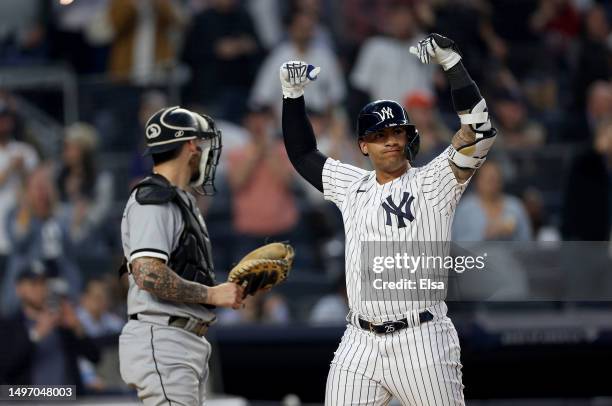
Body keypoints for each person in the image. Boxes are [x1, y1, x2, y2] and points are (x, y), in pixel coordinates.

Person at [280, 32, 498, 404]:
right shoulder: (351, 184)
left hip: (422, 340)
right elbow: (302, 154)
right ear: (363, 146)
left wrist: (452, 64)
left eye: (398, 132)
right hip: (359, 341)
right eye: (380, 135)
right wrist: (291, 96)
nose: (392, 140)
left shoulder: (435, 180)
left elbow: (479, 131)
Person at [118, 106, 244, 405]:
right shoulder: (154, 201)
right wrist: (212, 295)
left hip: (180, 340)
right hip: (163, 338)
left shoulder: (179, 199)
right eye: (199, 144)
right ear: (189, 146)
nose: (202, 151)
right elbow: (148, 273)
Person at [0, 261, 99, 394]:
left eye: (43, 283)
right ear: (19, 289)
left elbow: (94, 356)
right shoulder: (9, 325)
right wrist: (35, 335)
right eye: (33, 284)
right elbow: (6, 367)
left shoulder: (61, 323)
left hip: (65, 400)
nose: (40, 289)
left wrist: (76, 327)